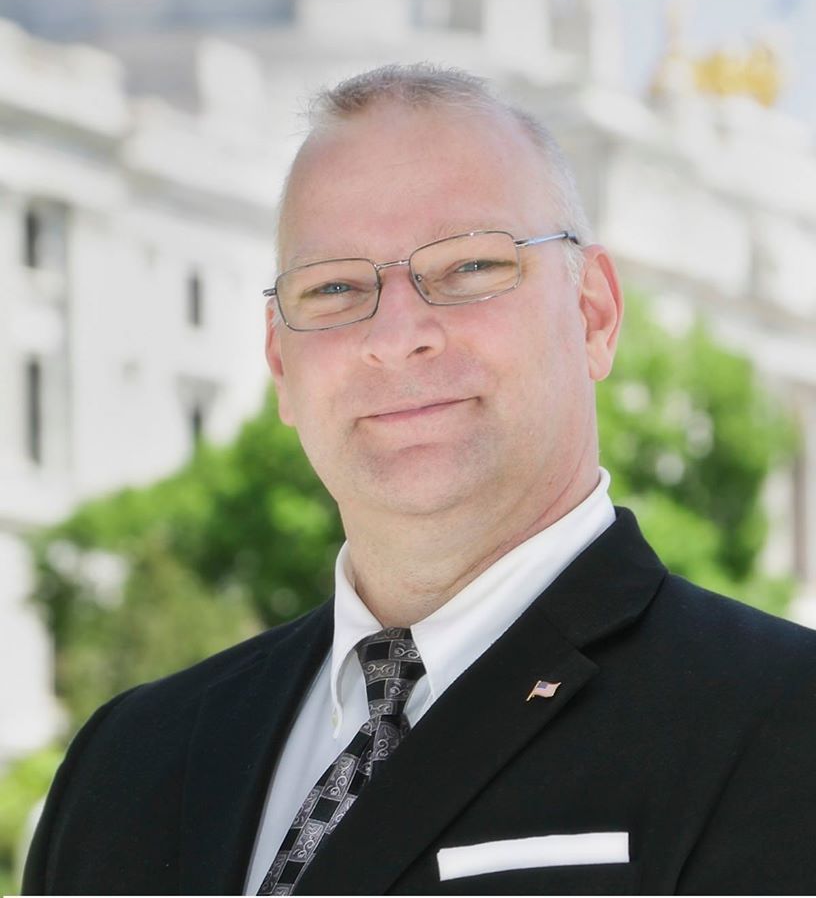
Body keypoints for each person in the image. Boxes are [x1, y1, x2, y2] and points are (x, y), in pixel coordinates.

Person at [23, 64, 816, 896]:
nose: (397, 335)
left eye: (470, 267)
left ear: (594, 313)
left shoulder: (785, 724)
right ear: (280, 363)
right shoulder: (125, 765)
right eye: (334, 288)